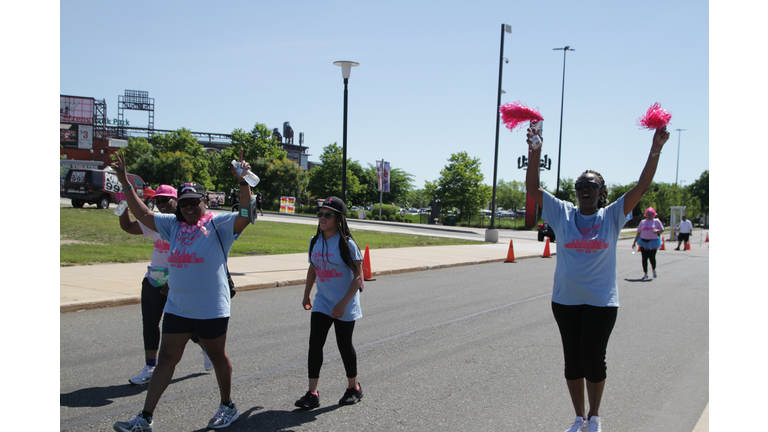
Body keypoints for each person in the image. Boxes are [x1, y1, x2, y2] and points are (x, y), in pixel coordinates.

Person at [525, 124, 669, 432]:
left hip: (602, 302)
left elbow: (642, 187)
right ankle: (578, 417)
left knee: (594, 360)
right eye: (580, 185)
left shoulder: (613, 215)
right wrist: (534, 151)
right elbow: (533, 188)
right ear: (576, 191)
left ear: (601, 192)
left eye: (591, 186)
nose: (585, 189)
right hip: (565, 300)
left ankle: (594, 417)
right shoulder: (562, 213)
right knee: (572, 361)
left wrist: (655, 149)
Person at [112, 149, 254, 432]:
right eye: (184, 203)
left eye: (193, 202)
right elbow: (141, 212)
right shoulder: (172, 225)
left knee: (216, 356)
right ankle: (145, 417)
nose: (188, 207)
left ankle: (228, 406)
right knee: (166, 359)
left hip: (210, 307)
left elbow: (246, 213)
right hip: (178, 306)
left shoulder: (219, 225)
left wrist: (243, 182)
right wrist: (125, 183)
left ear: (204, 202)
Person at [118, 185, 213, 386]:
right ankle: (150, 367)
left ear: (175, 201)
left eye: (165, 200)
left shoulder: (186, 224)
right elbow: (128, 227)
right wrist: (122, 208)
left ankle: (207, 348)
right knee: (150, 323)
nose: (161, 204)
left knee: (185, 325)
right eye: (157, 201)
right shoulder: (155, 222)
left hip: (178, 278)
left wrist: (174, 280)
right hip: (155, 277)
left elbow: (195, 256)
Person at [294, 196, 365, 410]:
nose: (322, 218)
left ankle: (354, 388)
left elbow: (359, 277)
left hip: (346, 302)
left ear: (339, 219)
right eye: (320, 214)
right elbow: (313, 268)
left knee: (344, 345)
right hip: (323, 301)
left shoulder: (347, 244)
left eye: (328, 215)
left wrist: (343, 303)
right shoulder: (315, 241)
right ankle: (312, 393)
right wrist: (306, 294)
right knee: (315, 344)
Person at [632, 208, 665, 280]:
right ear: (646, 214)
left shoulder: (656, 221)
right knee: (644, 258)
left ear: (653, 214)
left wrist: (657, 230)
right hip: (643, 241)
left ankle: (654, 269)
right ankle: (645, 273)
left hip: (653, 241)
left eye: (651, 214)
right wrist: (634, 242)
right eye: (648, 214)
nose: (649, 215)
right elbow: (638, 232)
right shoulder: (642, 222)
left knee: (652, 257)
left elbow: (662, 229)